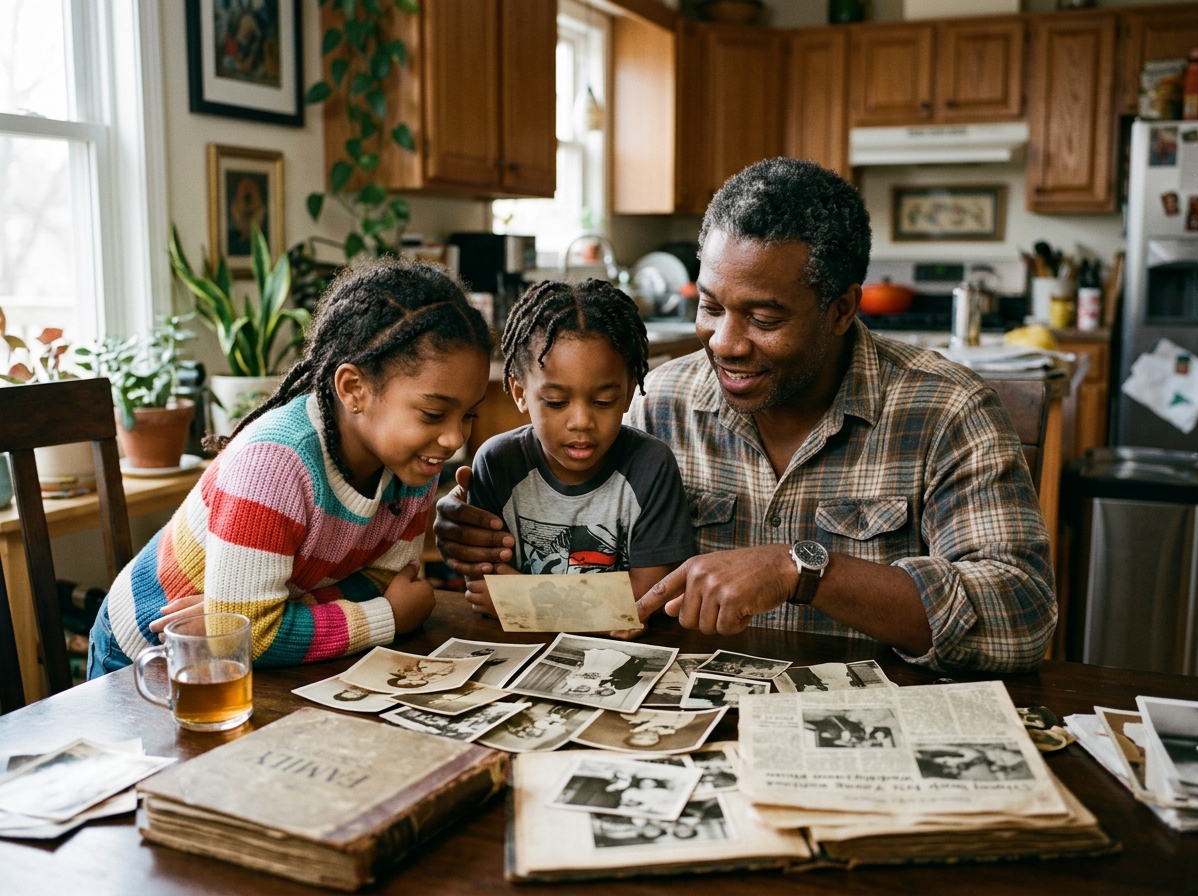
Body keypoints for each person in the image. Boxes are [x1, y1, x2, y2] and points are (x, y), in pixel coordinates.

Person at [435, 158, 1055, 674]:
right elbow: (570, 558)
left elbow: (1021, 618)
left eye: (764, 318)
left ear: (840, 310)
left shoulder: (945, 410)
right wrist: (478, 522)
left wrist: (804, 571)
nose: (725, 342)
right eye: (710, 306)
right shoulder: (656, 404)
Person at [86, 259, 492, 677]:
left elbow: (383, 581)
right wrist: (385, 617)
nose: (454, 438)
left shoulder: (413, 461)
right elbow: (248, 637)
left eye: (468, 416)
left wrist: (273, 613)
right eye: (432, 413)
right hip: (143, 655)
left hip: (246, 666)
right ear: (354, 389)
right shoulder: (274, 464)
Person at [461, 279, 694, 625]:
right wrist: (603, 604)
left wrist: (527, 600)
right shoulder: (498, 464)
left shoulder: (650, 466)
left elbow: (651, 596)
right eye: (556, 402)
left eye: (603, 401)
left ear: (629, 392)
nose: (581, 422)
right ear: (520, 392)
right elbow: (483, 588)